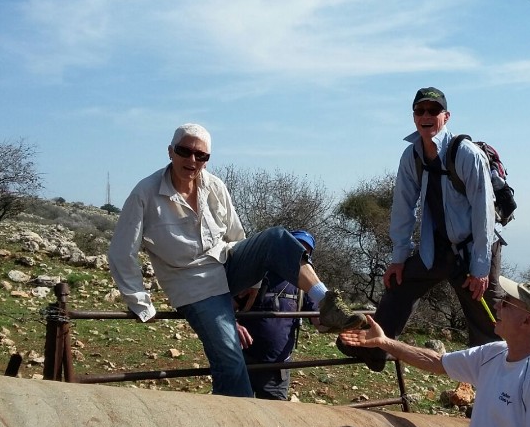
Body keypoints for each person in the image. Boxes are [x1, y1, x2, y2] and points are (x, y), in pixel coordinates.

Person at [108, 123, 366, 397]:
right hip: (193, 286)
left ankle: (326, 301)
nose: (192, 160)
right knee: (230, 361)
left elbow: (237, 236)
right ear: (170, 152)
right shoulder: (145, 194)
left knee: (276, 238)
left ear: (207, 159)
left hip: (226, 267)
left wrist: (251, 285)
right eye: (185, 151)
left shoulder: (215, 186)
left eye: (201, 155)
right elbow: (122, 252)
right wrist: (141, 303)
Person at [340, 277, 530, 427]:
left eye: (506, 303)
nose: (497, 306)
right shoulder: (494, 354)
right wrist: (385, 342)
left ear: (528, 320)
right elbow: (437, 361)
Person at [338, 87, 503, 372]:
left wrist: (480, 268)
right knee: (399, 285)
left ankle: (501, 381)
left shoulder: (466, 154)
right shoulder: (412, 155)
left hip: (474, 247)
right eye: (420, 110)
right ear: (414, 116)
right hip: (438, 247)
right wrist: (398, 259)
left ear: (446, 116)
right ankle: (376, 351)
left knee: (487, 319)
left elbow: (483, 213)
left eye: (433, 111)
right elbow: (403, 208)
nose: (426, 116)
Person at [237, 229, 317, 400]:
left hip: (277, 370)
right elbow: (229, 303)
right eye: (295, 249)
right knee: (239, 417)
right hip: (244, 362)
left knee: (274, 421)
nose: (299, 259)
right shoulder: (255, 275)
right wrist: (233, 324)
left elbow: (318, 318)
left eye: (305, 253)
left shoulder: (304, 289)